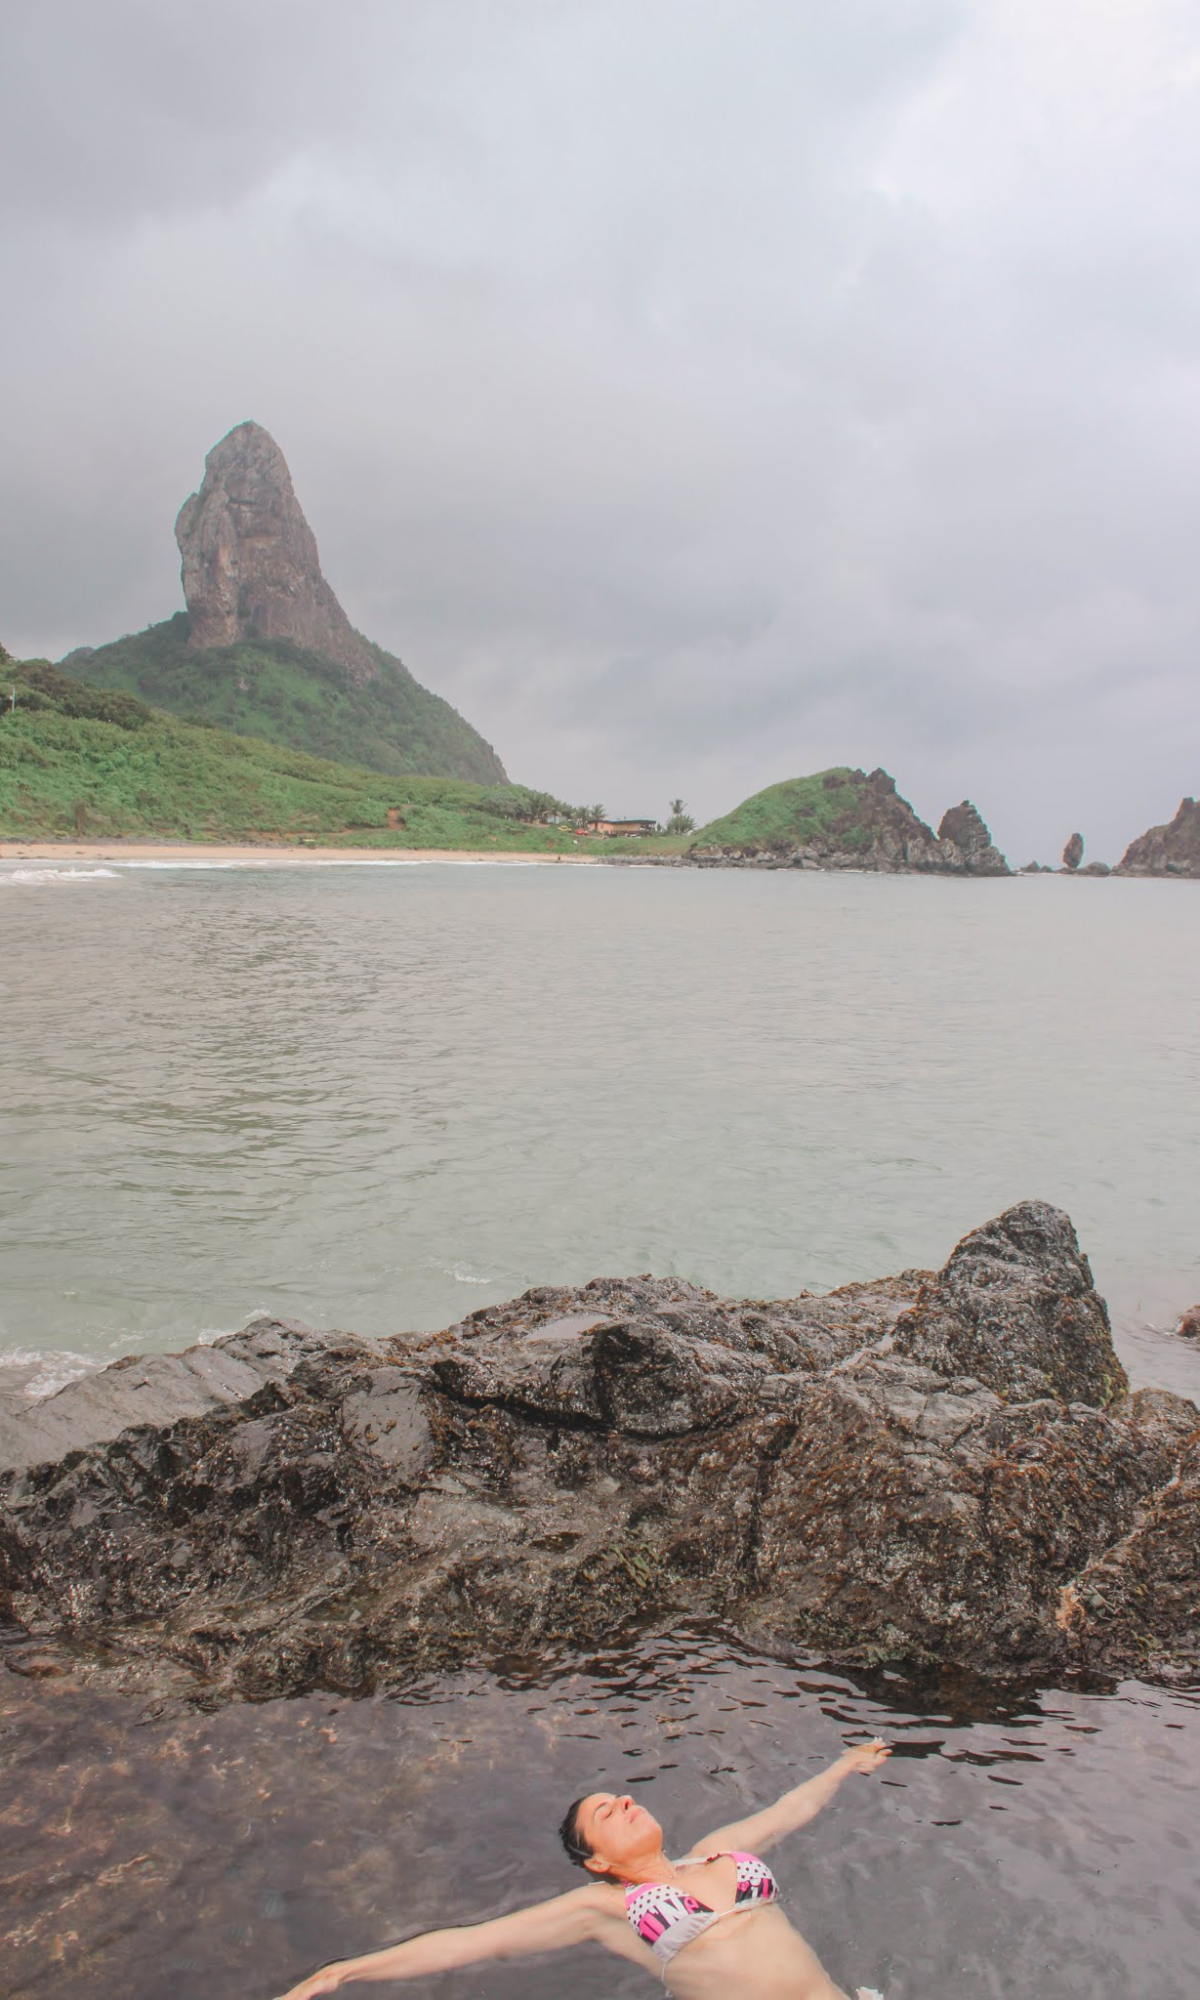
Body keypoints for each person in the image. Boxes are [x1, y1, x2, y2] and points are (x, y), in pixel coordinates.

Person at [273, 1737, 892, 1998]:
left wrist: (842, 1766)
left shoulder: (718, 1850)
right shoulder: (607, 1909)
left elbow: (786, 1812)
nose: (624, 1801)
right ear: (597, 1859)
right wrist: (342, 1972)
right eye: (605, 1811)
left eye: (621, 1797)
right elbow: (471, 1942)